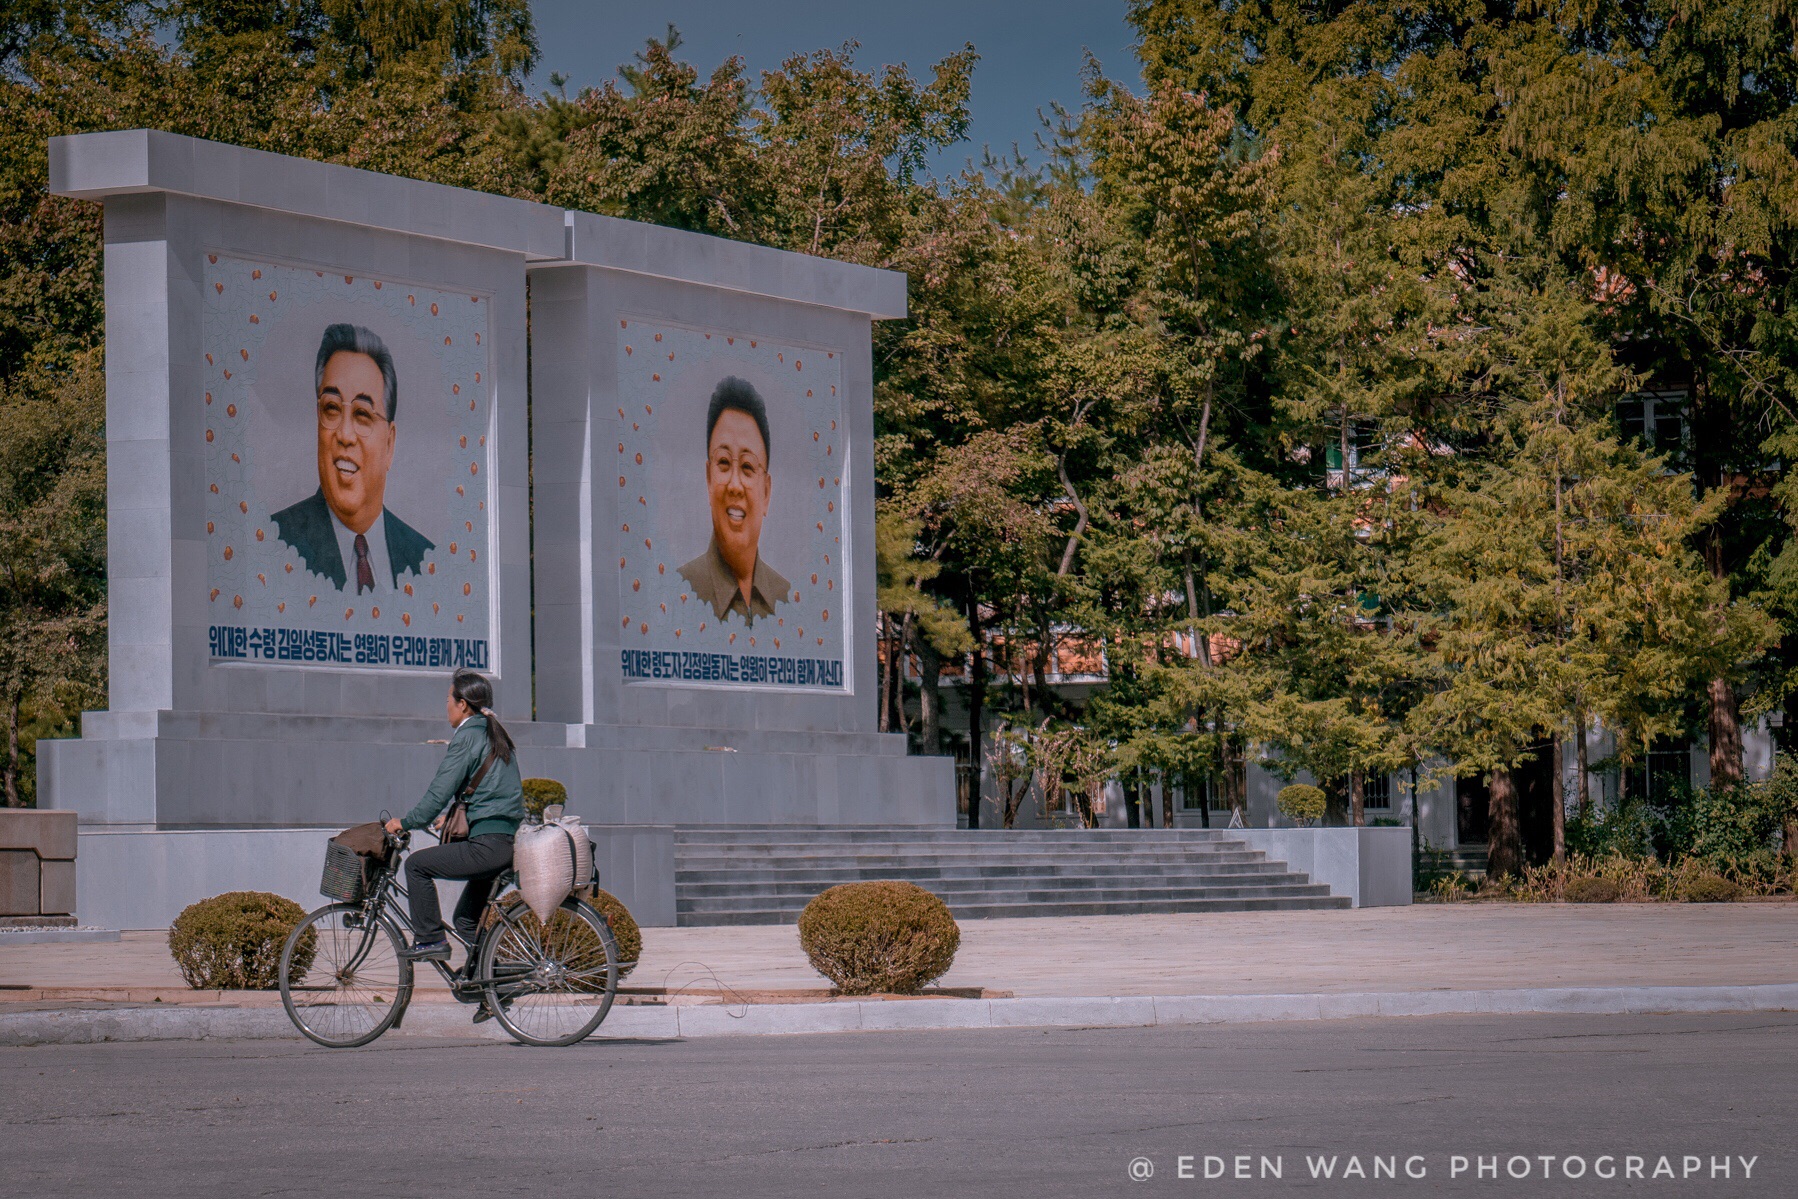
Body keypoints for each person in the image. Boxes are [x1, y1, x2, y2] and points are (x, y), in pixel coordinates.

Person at [271, 323, 433, 593]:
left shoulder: (424, 560)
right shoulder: (275, 542)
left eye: (362, 415)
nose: (345, 435)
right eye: (332, 409)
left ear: (390, 444)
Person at [384, 669, 523, 970]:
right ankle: (496, 982)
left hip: (487, 845)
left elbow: (438, 792)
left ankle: (430, 939)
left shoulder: (468, 737)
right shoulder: (494, 733)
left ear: (462, 704)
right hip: (506, 843)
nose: (445, 705)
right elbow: (495, 792)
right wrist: (458, 814)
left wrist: (406, 822)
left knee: (416, 865)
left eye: (447, 699)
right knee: (465, 919)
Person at [677, 376, 790, 624]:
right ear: (709, 479)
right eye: (724, 463)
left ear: (767, 492)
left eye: (748, 467)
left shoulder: (789, 601)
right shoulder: (679, 592)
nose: (735, 485)